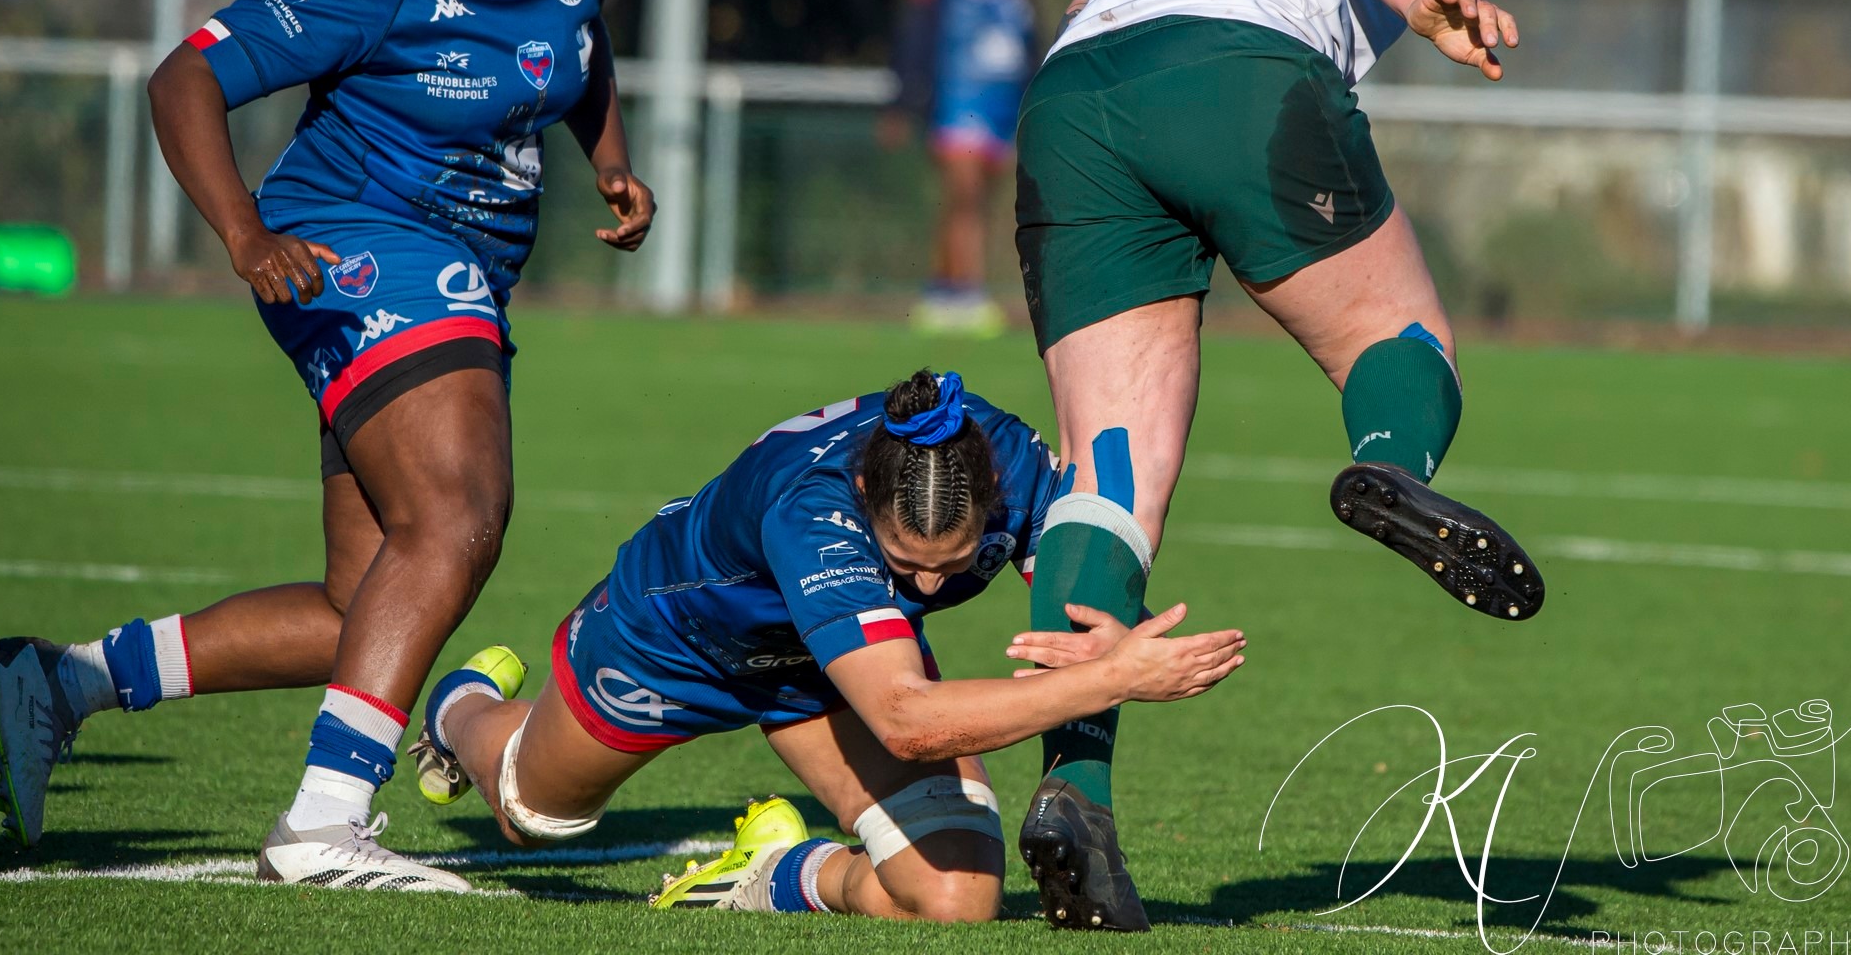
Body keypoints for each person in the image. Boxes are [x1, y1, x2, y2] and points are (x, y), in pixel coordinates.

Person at [0, 0, 654, 892]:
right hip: (351, 242)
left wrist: (609, 160)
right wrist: (239, 234)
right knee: (456, 516)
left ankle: (65, 677)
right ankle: (324, 824)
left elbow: (580, 53)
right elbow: (183, 78)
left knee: (368, 602)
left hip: (457, 275)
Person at [1008, 0, 1547, 930]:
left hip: (1075, 100)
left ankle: (1071, 796)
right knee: (1401, 343)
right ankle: (1389, 463)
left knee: (1105, 480)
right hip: (1233, 75)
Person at [403, 370, 1245, 920]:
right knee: (528, 813)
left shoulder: (999, 461)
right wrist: (1114, 679)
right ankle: (464, 708)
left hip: (836, 664)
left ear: (991, 500)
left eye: (947, 568)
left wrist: (1103, 626)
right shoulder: (814, 512)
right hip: (682, 636)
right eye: (905, 565)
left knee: (953, 898)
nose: (924, 590)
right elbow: (909, 722)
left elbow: (1070, 566)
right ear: (866, 493)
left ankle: (770, 873)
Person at [885, 0, 1039, 336]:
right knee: (965, 199)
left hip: (1000, 116)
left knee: (973, 205)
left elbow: (1029, 50)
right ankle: (968, 294)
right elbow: (913, 47)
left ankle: (942, 289)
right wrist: (902, 104)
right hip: (956, 112)